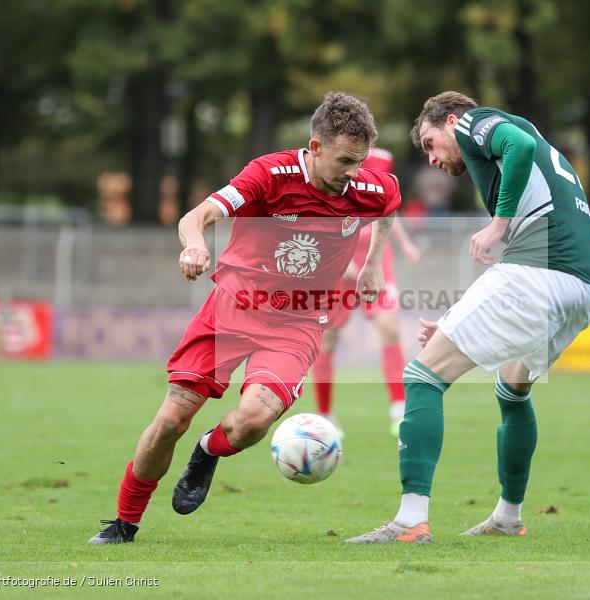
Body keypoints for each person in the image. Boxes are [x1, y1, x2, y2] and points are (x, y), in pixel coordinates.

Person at [88, 92, 400, 544]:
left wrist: (372, 265)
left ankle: (207, 450)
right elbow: (198, 216)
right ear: (315, 148)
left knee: (253, 420)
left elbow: (389, 205)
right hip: (233, 309)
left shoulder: (368, 187)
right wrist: (196, 245)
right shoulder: (269, 175)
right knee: (171, 421)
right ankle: (124, 522)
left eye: (361, 162)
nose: (355, 173)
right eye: (346, 161)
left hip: (298, 322)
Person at [346, 91, 590, 544]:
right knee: (513, 389)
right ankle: (507, 516)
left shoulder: (472, 122)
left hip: (540, 273)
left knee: (422, 376)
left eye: (430, 143)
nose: (432, 159)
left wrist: (499, 225)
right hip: (582, 289)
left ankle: (410, 521)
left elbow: (518, 147)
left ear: (449, 121)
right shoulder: (524, 142)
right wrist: (453, 321)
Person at [312, 147, 421, 437]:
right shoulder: (331, 160)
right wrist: (341, 260)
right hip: (338, 268)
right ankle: (325, 415)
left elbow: (388, 208)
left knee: (390, 328)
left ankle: (399, 409)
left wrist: (406, 244)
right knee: (327, 340)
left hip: (376, 264)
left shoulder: (383, 160)